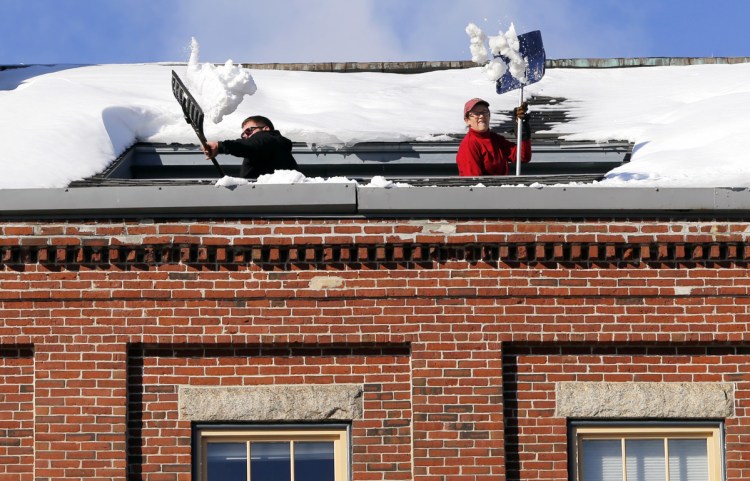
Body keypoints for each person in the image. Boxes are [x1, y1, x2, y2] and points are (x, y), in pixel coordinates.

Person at [455, 98, 532, 176]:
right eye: (476, 113)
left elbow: (522, 157)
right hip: (485, 188)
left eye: (484, 112)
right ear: (467, 120)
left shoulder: (496, 139)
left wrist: (523, 133)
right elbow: (473, 183)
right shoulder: (469, 145)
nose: (481, 116)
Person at [204, 115, 298, 178]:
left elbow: (249, 146)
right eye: (243, 135)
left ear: (266, 129)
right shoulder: (271, 146)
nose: (245, 136)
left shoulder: (267, 136)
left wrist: (219, 146)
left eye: (249, 131)